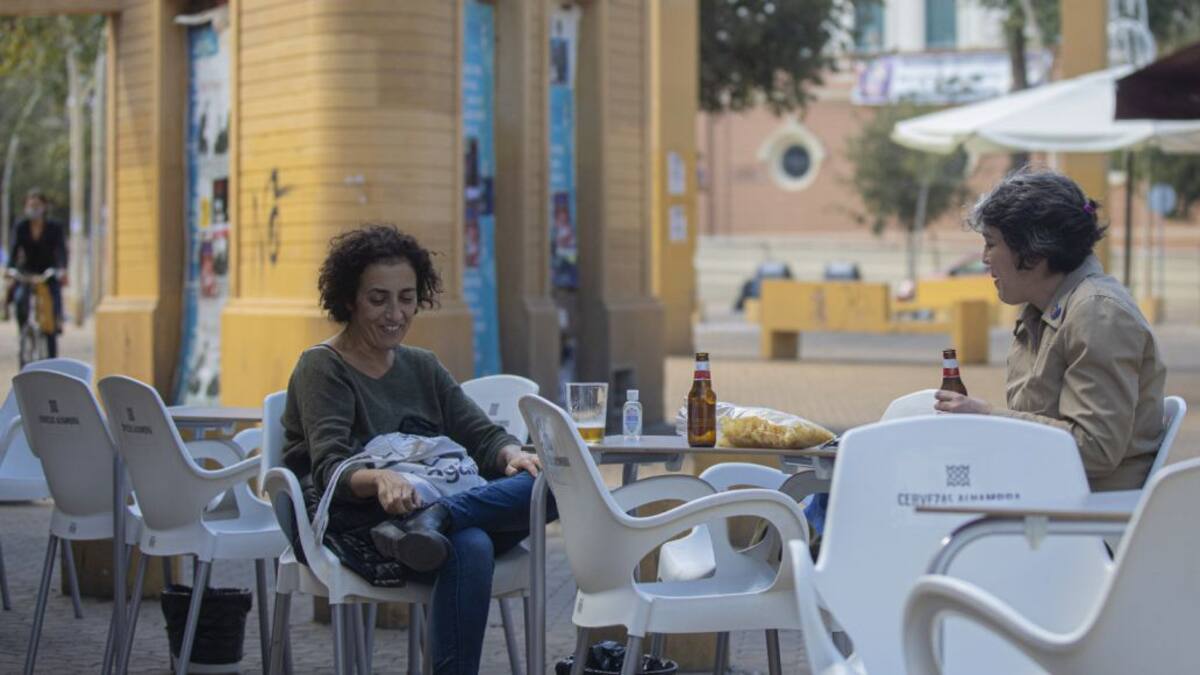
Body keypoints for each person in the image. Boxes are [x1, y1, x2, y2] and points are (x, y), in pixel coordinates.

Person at [281, 224, 550, 675]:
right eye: (378, 298)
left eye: (406, 298)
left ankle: (440, 518)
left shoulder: (422, 365)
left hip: (428, 517)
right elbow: (330, 469)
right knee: (473, 545)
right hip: (362, 523)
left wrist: (511, 455)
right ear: (349, 298)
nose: (395, 313)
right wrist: (383, 477)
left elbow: (482, 436)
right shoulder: (322, 367)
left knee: (554, 481)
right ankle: (444, 520)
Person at [936, 169, 1166, 491]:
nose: (985, 259)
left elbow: (1095, 449)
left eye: (991, 244)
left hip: (1083, 519)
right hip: (1048, 498)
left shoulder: (1096, 312)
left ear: (1034, 253)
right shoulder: (1041, 309)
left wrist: (987, 418)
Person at [5, 188, 67, 357]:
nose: (34, 209)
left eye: (37, 205)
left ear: (44, 207)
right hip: (26, 272)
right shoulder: (21, 226)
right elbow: (13, 251)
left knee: (51, 306)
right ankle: (24, 333)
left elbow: (61, 251)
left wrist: (61, 268)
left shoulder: (55, 227)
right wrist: (10, 269)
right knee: (19, 299)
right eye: (30, 205)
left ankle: (55, 336)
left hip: (47, 272)